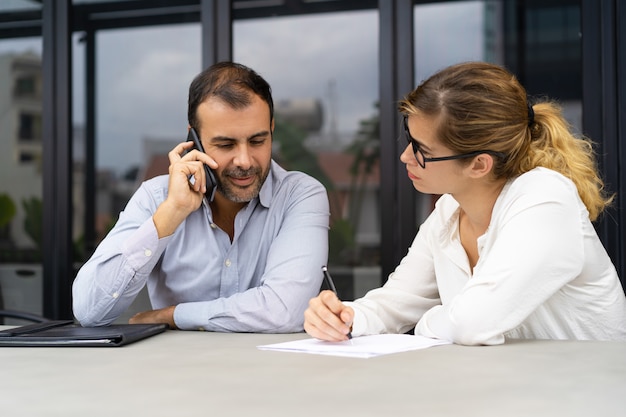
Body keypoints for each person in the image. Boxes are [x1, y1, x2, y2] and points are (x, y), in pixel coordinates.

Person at [304, 61, 626, 345]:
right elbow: (396, 302)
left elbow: (471, 324)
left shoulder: (544, 199)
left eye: (422, 151)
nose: (405, 157)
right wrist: (344, 316)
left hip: (586, 397)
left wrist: (428, 320)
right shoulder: (448, 211)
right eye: (409, 139)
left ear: (479, 164)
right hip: (515, 391)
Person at [73, 62, 330, 332]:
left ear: (271, 130)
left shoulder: (299, 195)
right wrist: (171, 213)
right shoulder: (156, 197)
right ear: (194, 140)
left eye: (257, 141)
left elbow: (282, 311)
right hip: (179, 372)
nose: (244, 161)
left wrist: (174, 315)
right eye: (226, 144)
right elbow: (89, 310)